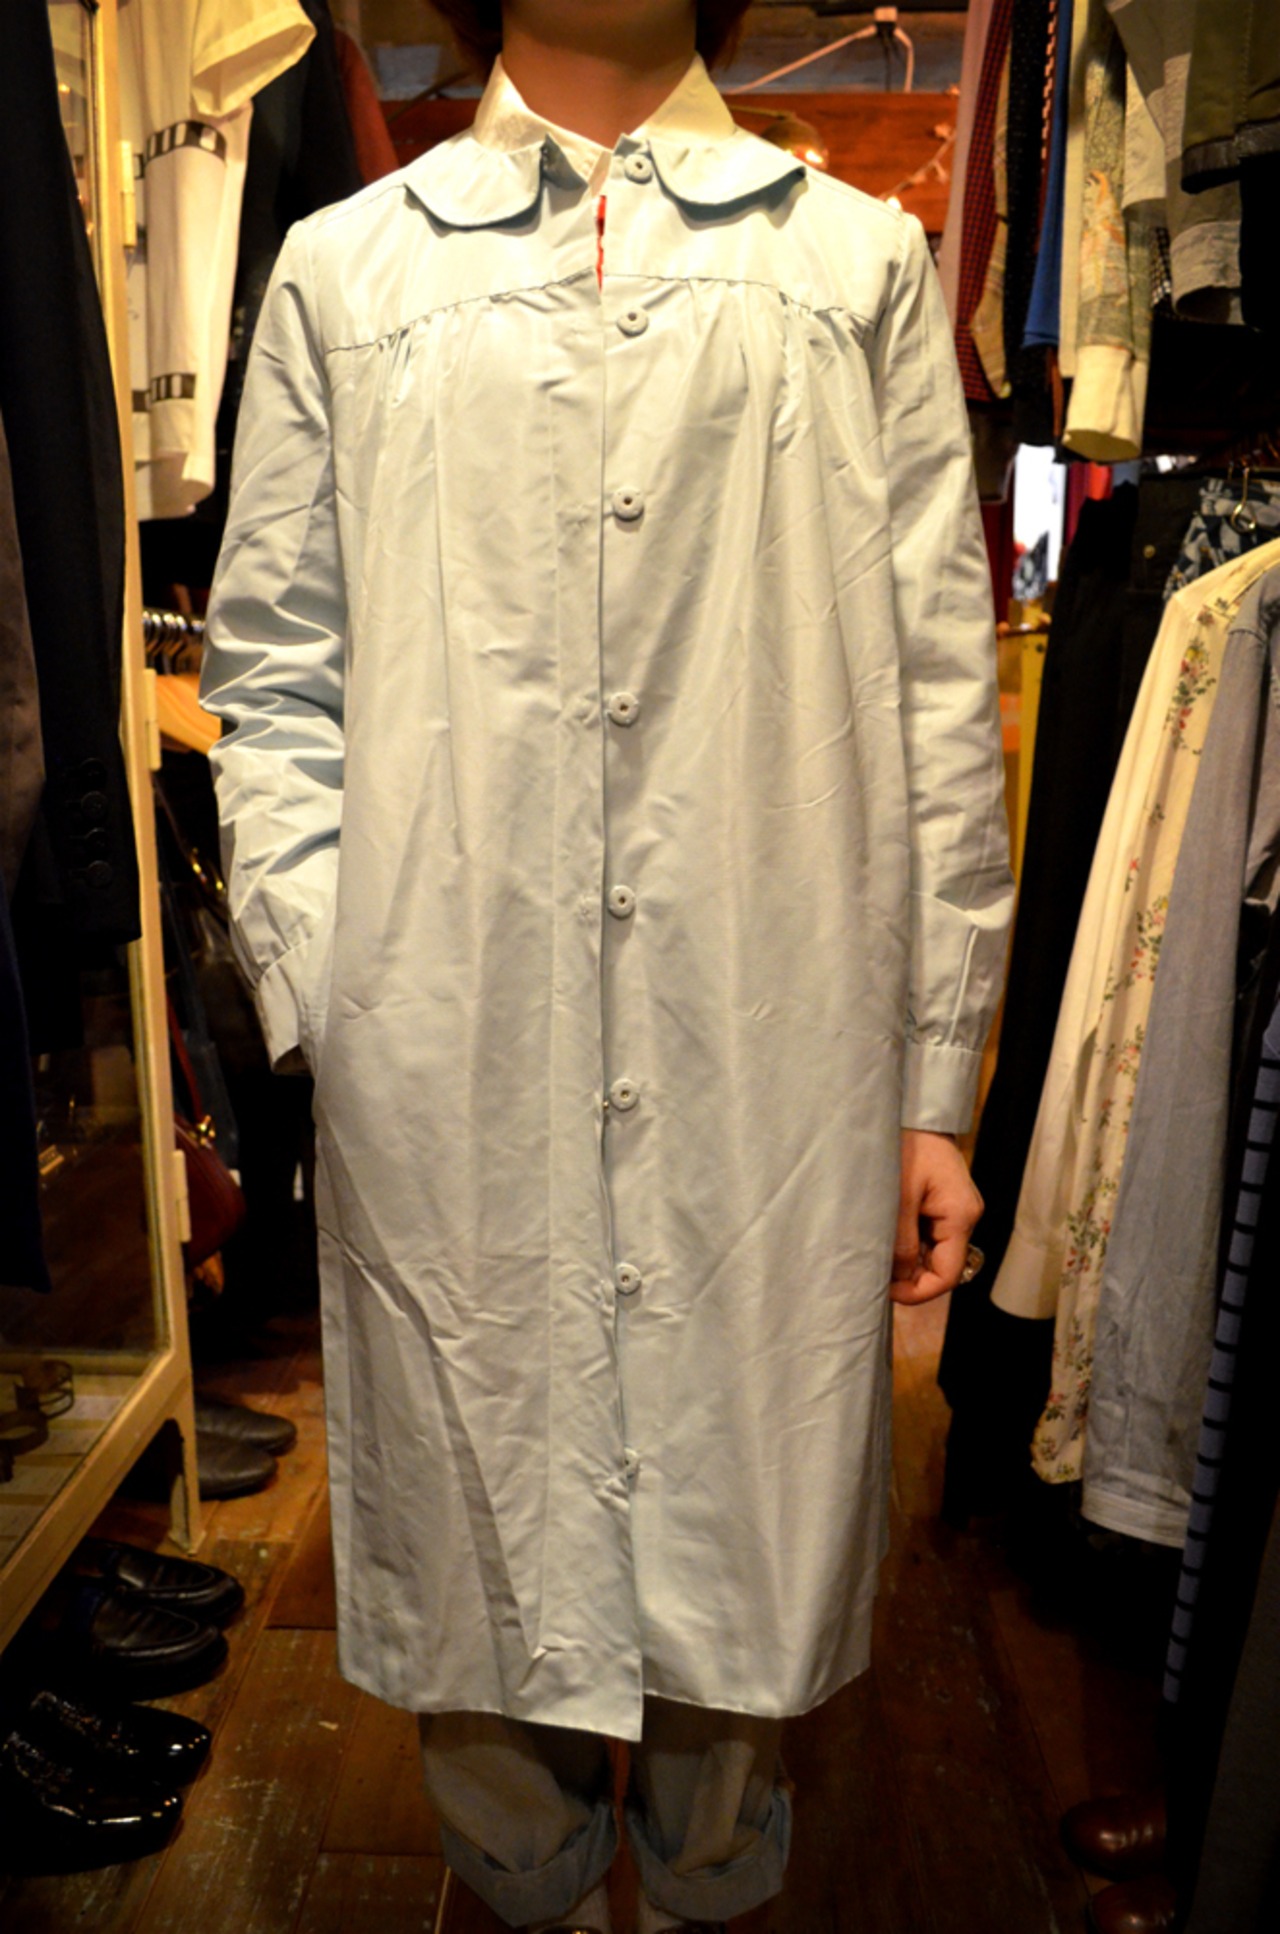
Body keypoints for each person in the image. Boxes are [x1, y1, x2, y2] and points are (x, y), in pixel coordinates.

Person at [199, 3, 1014, 1929]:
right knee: (483, 1572)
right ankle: (520, 1883)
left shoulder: (852, 267)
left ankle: (716, 1876)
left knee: (742, 1580)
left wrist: (935, 1080)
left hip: (772, 1049)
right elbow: (275, 671)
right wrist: (336, 995)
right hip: (445, 1049)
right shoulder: (347, 271)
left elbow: (936, 690)